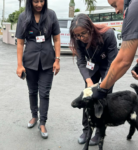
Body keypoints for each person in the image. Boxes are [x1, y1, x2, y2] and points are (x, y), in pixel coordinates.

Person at [85, 0, 138, 130]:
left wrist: (101, 90)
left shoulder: (137, 5)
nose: (116, 11)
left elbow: (123, 61)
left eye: (114, 5)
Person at [69, 14, 118, 145]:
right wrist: (89, 82)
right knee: (87, 98)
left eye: (83, 34)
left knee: (103, 100)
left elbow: (113, 63)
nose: (81, 38)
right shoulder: (78, 39)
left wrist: (103, 85)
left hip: (108, 68)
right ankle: (86, 130)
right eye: (77, 35)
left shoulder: (107, 34)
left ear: (90, 28)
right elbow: (81, 62)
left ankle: (99, 133)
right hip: (92, 68)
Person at [16, 0, 60, 139]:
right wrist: (19, 64)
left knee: (45, 93)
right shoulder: (23, 17)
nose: (39, 4)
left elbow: (57, 39)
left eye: (42, 1)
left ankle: (42, 122)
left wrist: (57, 60)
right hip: (30, 62)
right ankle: (34, 116)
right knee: (32, 91)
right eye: (36, 1)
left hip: (48, 61)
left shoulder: (51, 15)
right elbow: (20, 42)